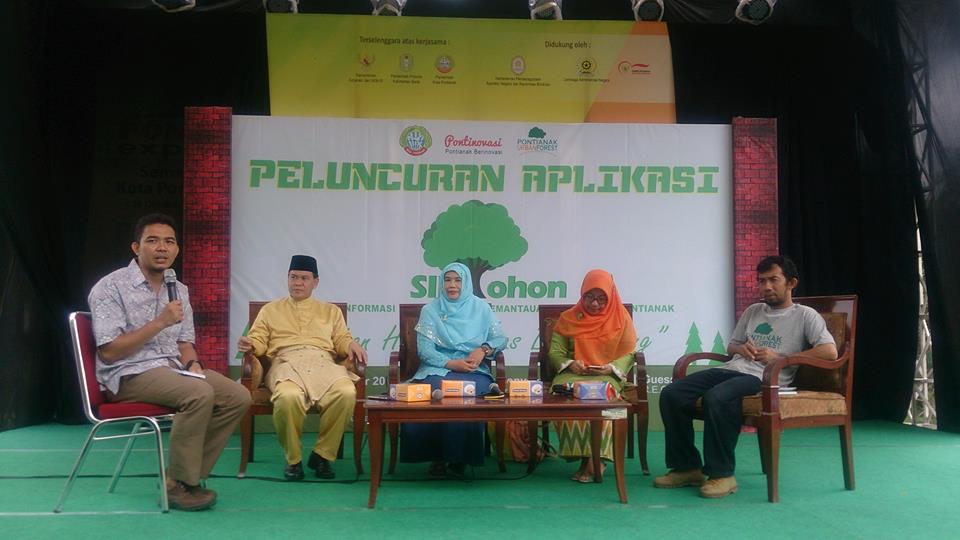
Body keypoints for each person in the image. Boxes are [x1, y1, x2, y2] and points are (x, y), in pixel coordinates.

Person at [88, 213, 251, 512]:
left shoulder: (179, 289)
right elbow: (109, 352)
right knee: (198, 393)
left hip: (173, 371)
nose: (161, 248)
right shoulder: (110, 287)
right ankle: (180, 484)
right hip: (128, 374)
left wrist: (193, 365)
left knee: (237, 396)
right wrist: (160, 322)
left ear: (177, 249)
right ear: (136, 248)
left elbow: (184, 344)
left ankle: (180, 476)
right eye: (152, 241)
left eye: (169, 242)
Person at [655, 255, 838, 498]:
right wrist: (741, 349)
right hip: (732, 369)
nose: (766, 287)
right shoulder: (753, 311)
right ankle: (687, 467)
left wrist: (780, 357)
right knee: (672, 394)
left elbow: (829, 351)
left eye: (773, 280)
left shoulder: (805, 315)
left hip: (764, 378)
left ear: (792, 283)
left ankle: (722, 474)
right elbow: (732, 346)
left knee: (717, 397)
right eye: (762, 281)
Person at [237, 255, 367, 481]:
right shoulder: (270, 310)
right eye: (293, 277)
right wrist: (250, 344)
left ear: (315, 282)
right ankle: (293, 460)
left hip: (323, 363)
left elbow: (341, 338)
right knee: (288, 397)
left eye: (304, 278)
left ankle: (323, 455)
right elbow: (258, 339)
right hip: (285, 363)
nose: (297, 283)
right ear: (287, 278)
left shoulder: (331, 311)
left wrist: (350, 344)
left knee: (346, 392)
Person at [399, 262, 507, 476]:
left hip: (473, 369)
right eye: (447, 280)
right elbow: (425, 351)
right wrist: (451, 363)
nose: (452, 285)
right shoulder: (430, 310)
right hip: (437, 368)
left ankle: (460, 457)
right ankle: (436, 457)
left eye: (458, 280)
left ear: (466, 283)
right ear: (441, 283)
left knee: (469, 394)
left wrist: (483, 349)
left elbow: (500, 338)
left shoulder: (481, 308)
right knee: (432, 393)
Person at [550, 269, 637, 482]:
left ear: (610, 296)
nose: (595, 304)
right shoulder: (568, 318)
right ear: (582, 294)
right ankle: (584, 457)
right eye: (589, 297)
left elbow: (629, 352)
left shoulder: (621, 318)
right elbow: (556, 352)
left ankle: (598, 459)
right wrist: (571, 364)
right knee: (563, 396)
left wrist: (611, 368)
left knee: (605, 397)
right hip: (572, 375)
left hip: (606, 376)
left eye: (601, 298)